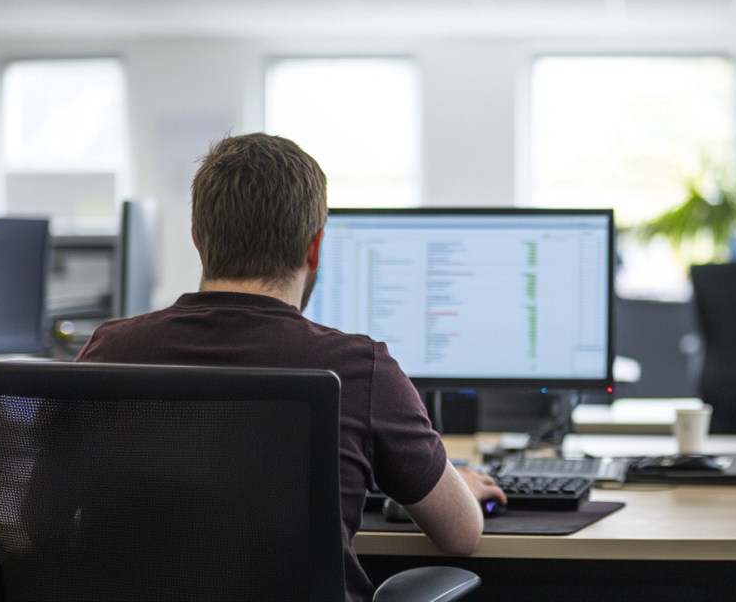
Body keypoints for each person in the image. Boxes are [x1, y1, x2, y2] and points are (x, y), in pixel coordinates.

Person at [76, 133, 505, 602]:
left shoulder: (107, 350)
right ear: (315, 248)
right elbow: (461, 535)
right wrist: (459, 484)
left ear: (198, 241)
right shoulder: (361, 369)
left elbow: (30, 517)